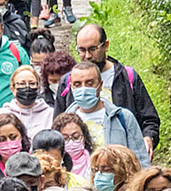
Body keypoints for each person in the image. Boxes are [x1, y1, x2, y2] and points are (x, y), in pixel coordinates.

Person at [69, 24, 161, 152]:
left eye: (93, 49)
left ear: (106, 46)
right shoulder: (69, 81)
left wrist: (148, 138)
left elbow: (149, 118)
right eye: (82, 50)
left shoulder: (127, 77)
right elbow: (59, 124)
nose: (87, 56)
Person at [65, 62, 147, 158]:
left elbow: (140, 159)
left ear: (100, 85)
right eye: (77, 84)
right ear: (71, 87)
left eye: (89, 83)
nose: (83, 89)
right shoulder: (63, 124)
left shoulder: (123, 118)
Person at [1, 65, 54, 136]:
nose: (27, 87)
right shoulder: (2, 115)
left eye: (32, 83)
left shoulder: (51, 114)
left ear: (38, 88)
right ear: (13, 89)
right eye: (22, 84)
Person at [51, 110, 97, 179]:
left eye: (76, 137)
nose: (71, 142)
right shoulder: (52, 166)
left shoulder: (95, 163)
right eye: (65, 138)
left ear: (84, 137)